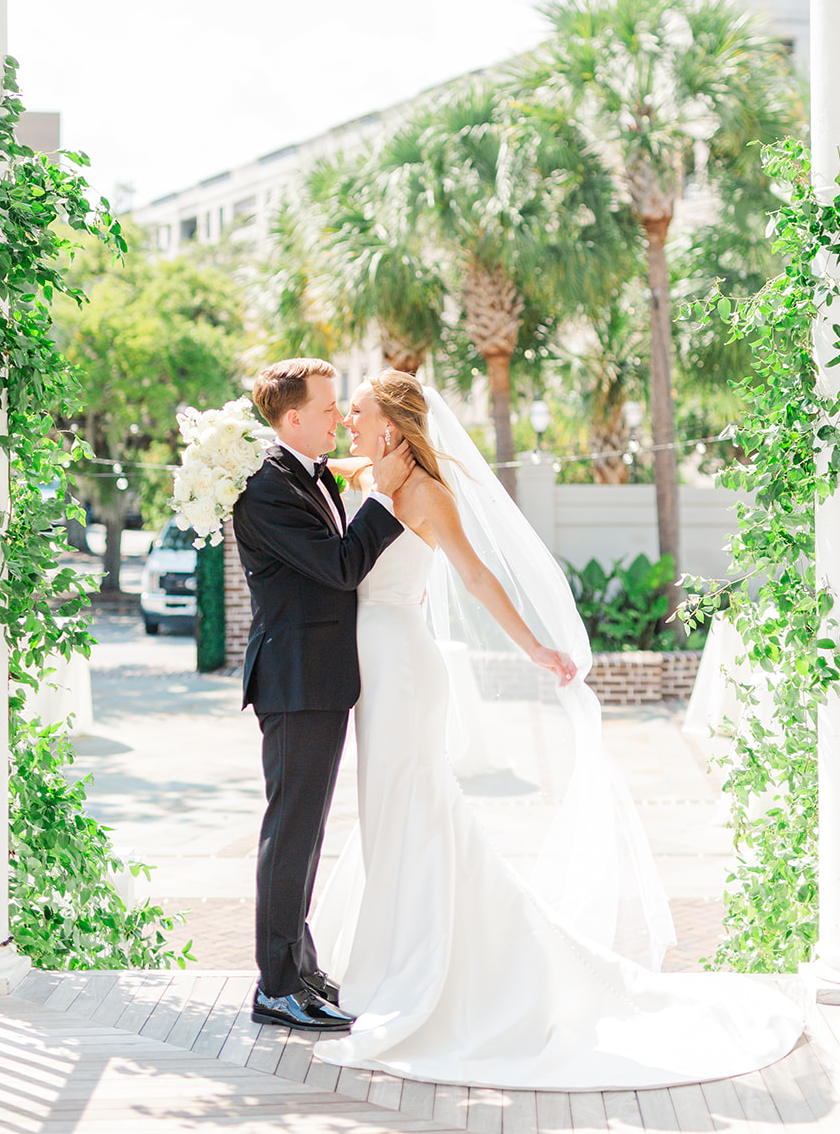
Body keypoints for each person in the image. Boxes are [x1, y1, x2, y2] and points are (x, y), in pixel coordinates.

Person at [308, 370, 803, 1091]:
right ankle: (391, 955)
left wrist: (534, 647)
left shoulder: (423, 492)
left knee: (412, 800)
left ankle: (429, 967)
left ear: (388, 424)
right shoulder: (372, 473)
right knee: (389, 805)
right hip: (373, 665)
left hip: (404, 669)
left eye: (354, 412)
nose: (345, 422)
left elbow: (477, 579)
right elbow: (318, 466)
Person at [232, 357, 413, 1033]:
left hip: (318, 678)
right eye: (330, 407)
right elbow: (340, 567)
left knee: (304, 835)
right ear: (293, 418)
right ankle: (274, 987)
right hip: (295, 679)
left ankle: (299, 972)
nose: (340, 418)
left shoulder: (301, 473)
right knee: (290, 834)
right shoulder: (267, 487)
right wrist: (387, 498)